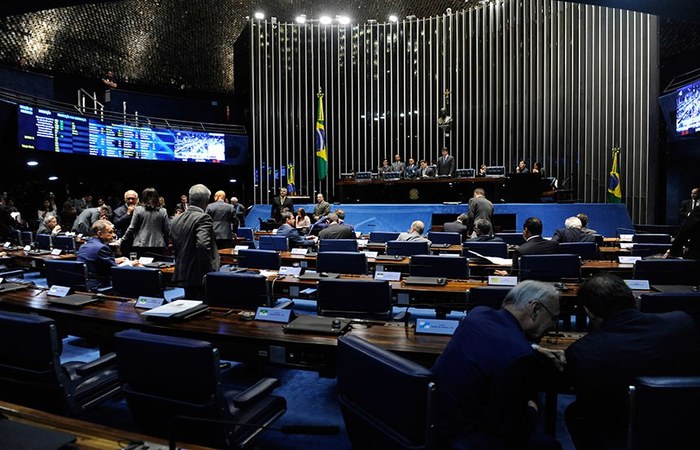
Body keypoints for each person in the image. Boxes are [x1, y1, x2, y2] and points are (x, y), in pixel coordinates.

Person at [564, 274, 700, 450]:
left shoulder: (584, 351)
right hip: (688, 424)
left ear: (588, 311)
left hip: (625, 433)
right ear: (633, 300)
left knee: (576, 413)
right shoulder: (682, 322)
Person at [432, 280, 564, 450]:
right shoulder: (520, 356)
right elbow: (514, 429)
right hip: (470, 437)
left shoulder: (477, 314)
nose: (553, 326)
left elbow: (496, 341)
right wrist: (533, 409)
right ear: (535, 309)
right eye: (553, 318)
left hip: (436, 419)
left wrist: (533, 347)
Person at [170, 184, 220, 300]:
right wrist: (208, 272)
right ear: (206, 201)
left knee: (189, 304)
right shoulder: (203, 218)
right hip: (199, 273)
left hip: (182, 269)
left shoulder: (175, 218)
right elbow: (202, 246)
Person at [77, 219, 137, 291]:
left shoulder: (84, 245)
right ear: (100, 234)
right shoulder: (102, 247)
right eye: (110, 232)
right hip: (99, 286)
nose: (113, 235)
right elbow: (115, 271)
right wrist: (131, 264)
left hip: (86, 284)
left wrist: (115, 260)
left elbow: (95, 262)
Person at [120, 187, 170, 258]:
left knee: (142, 267)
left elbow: (132, 228)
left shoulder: (138, 210)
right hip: (158, 244)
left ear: (143, 197)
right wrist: (166, 243)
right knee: (158, 267)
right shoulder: (163, 211)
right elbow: (167, 230)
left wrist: (122, 240)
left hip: (141, 244)